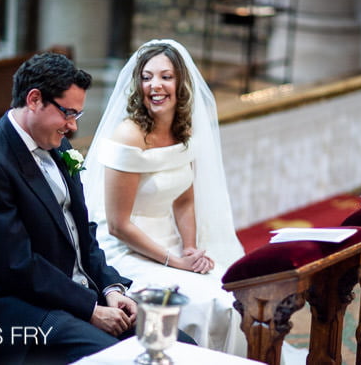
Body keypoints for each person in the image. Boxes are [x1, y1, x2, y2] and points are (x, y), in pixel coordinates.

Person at [0, 52, 194, 364]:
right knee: (120, 358)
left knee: (180, 344)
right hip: (21, 312)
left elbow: (83, 232)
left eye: (76, 116)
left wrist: (111, 288)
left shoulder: (58, 145)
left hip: (72, 296)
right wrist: (90, 309)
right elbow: (17, 266)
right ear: (35, 99)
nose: (71, 126)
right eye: (67, 113)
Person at [82, 39, 247, 355]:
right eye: (147, 77)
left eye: (165, 77)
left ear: (180, 83)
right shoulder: (129, 136)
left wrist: (189, 247)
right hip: (128, 250)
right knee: (216, 305)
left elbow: (184, 200)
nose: (155, 85)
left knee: (237, 293)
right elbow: (117, 225)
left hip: (171, 246)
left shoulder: (183, 130)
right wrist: (176, 262)